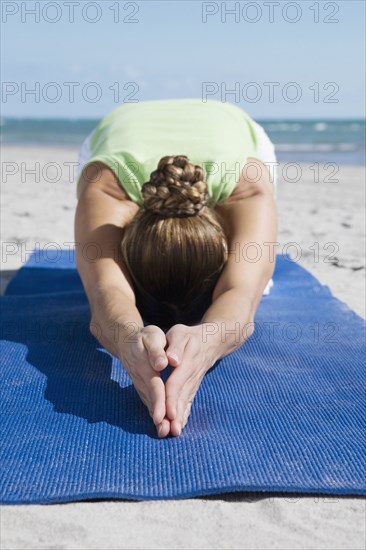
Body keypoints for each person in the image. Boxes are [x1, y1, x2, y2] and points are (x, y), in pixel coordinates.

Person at [74, 98, 278, 439]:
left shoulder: (247, 184)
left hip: (231, 125)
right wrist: (128, 340)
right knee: (94, 266)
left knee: (258, 277)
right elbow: (106, 293)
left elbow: (240, 293)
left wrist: (209, 341)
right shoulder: (105, 184)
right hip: (121, 128)